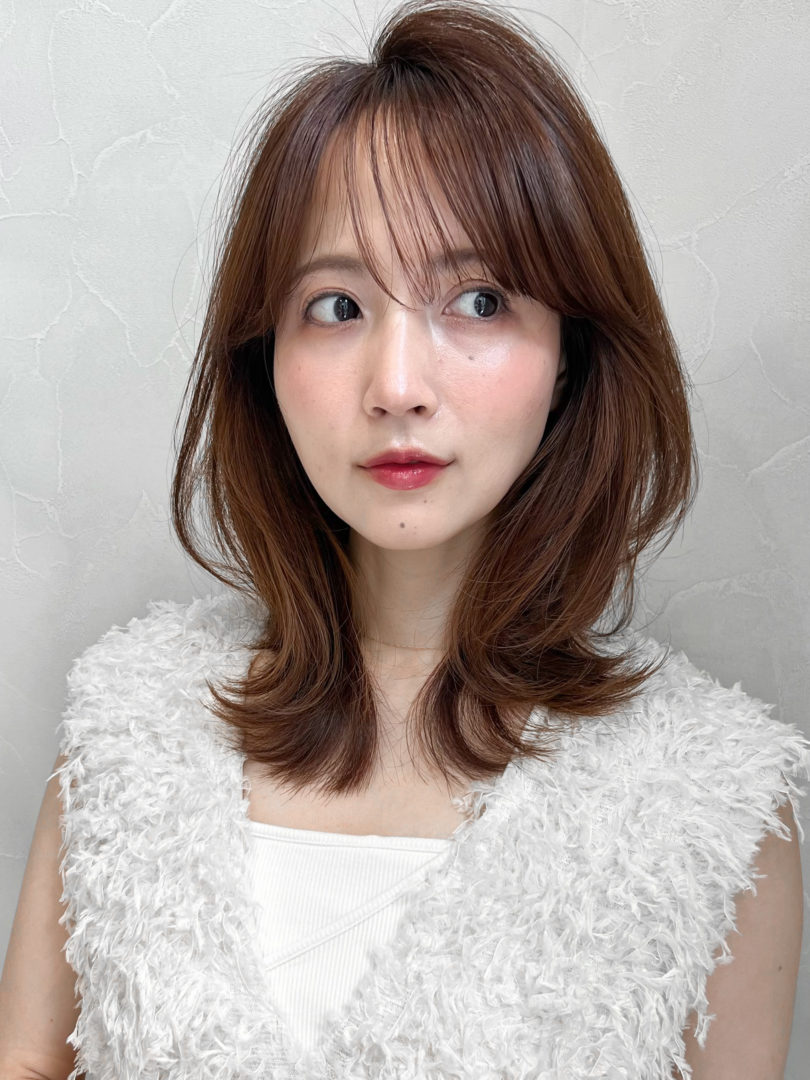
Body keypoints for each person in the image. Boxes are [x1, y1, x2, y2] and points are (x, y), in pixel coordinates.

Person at [1, 1, 808, 1077]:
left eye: (477, 299)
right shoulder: (127, 731)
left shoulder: (713, 805)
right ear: (264, 357)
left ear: (570, 350)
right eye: (336, 306)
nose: (396, 386)